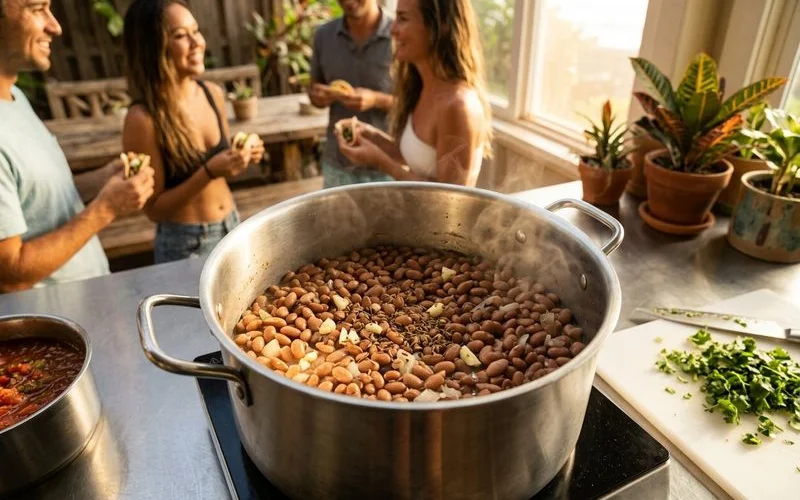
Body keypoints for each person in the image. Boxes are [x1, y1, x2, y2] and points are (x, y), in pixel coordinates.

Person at [0, 0, 155, 292]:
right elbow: (10, 274)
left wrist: (100, 180)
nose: (55, 26)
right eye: (37, 9)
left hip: (89, 295)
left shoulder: (15, 97)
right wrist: (106, 208)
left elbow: (35, 201)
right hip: (52, 325)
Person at [122, 0, 264, 264]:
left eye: (195, 31)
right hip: (186, 243)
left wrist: (244, 154)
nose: (197, 42)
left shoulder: (213, 93)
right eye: (180, 35)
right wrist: (208, 172)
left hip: (232, 224)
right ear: (153, 48)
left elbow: (221, 164)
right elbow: (153, 210)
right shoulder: (142, 119)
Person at [335, 0, 492, 186]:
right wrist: (375, 139)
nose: (392, 29)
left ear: (440, 27)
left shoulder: (459, 106)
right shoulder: (423, 87)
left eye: (402, 18)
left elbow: (451, 203)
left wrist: (382, 163)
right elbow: (420, 158)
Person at [309, 0, 396, 188]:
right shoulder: (323, 36)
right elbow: (313, 89)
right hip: (338, 165)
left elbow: (421, 102)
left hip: (389, 166)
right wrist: (318, 97)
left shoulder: (400, 33)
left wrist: (376, 100)